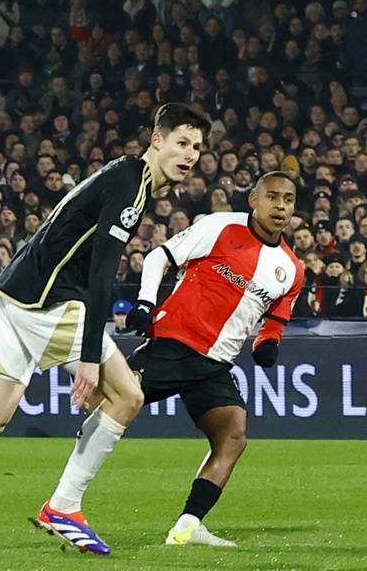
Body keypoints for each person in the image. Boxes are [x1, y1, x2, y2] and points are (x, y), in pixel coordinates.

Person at [0, 103, 209, 558]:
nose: (189, 154)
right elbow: (102, 273)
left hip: (13, 293)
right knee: (128, 396)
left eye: (197, 147)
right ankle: (65, 506)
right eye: (181, 143)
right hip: (50, 302)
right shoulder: (131, 187)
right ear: (157, 141)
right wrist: (89, 356)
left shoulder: (123, 175)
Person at [100, 171, 305, 548]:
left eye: (288, 200)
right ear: (254, 201)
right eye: (272, 197)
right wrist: (146, 301)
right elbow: (158, 257)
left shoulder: (291, 268)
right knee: (106, 405)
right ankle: (63, 499)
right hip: (174, 344)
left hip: (215, 365)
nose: (280, 206)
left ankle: (188, 526)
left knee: (233, 436)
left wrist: (267, 342)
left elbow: (276, 317)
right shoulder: (219, 226)